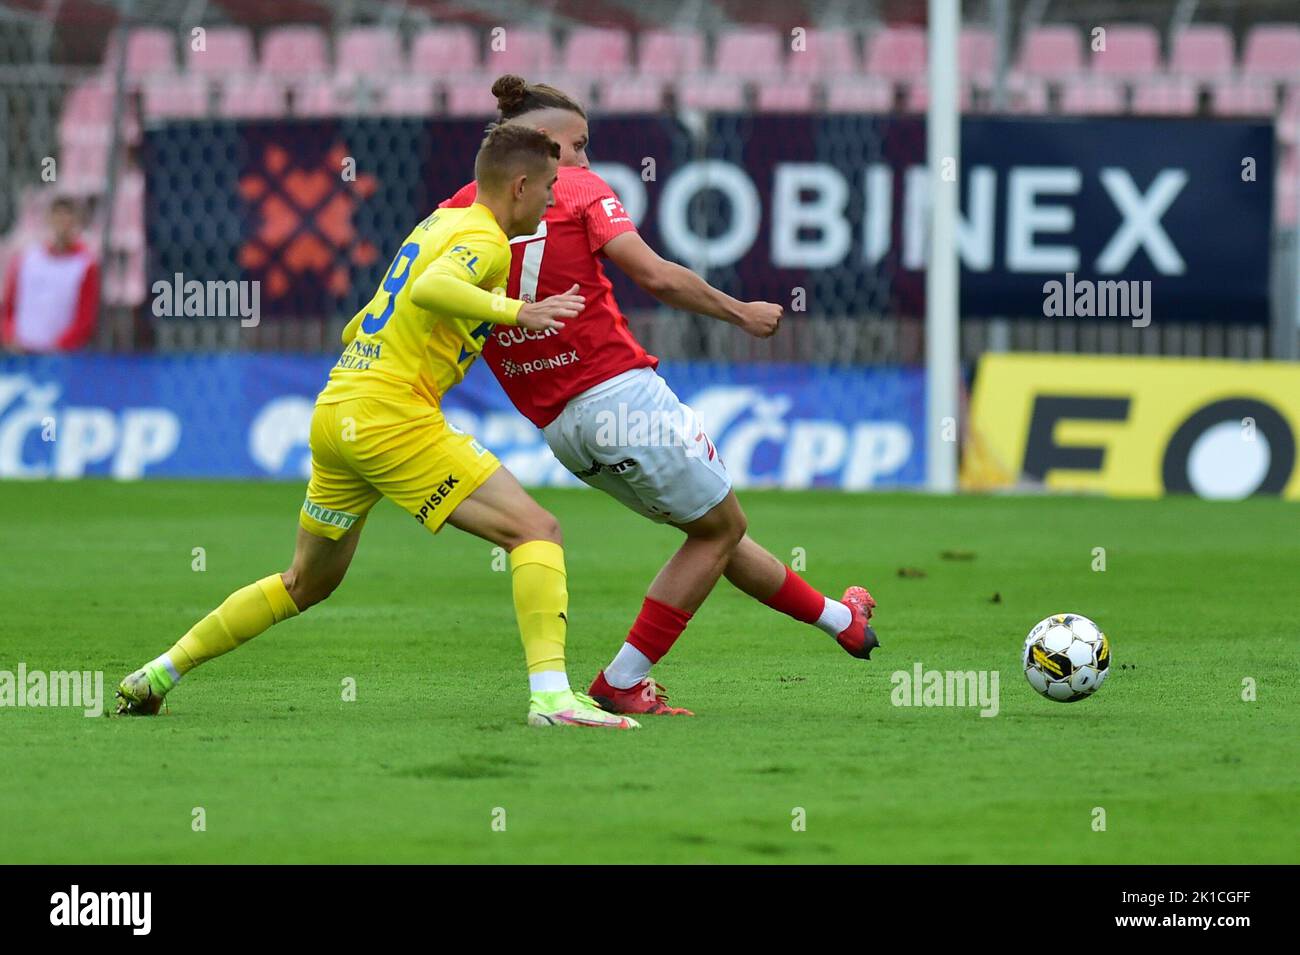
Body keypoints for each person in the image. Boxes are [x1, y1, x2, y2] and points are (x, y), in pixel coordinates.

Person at [115, 124, 637, 729]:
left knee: (306, 582)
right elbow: (432, 288)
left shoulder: (436, 226)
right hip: (392, 414)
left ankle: (158, 673)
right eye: (548, 187)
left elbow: (359, 323)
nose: (553, 199)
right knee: (535, 530)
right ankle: (552, 700)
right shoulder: (487, 241)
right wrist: (519, 310)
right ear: (519, 186)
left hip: (340, 409)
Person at [439, 75, 880, 718]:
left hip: (561, 429)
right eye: (578, 145)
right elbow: (655, 275)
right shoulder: (581, 190)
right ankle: (621, 680)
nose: (585, 160)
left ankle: (842, 621)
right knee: (719, 530)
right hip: (622, 398)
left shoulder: (456, 211)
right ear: (541, 149)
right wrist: (741, 313)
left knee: (712, 532)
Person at [0, 196, 99, 352]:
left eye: (68, 217)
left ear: (77, 222)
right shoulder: (25, 258)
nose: (63, 223)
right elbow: (9, 305)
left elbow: (85, 318)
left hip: (60, 356)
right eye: (58, 216)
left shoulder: (85, 265)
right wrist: (9, 336)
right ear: (49, 219)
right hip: (20, 353)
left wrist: (58, 347)